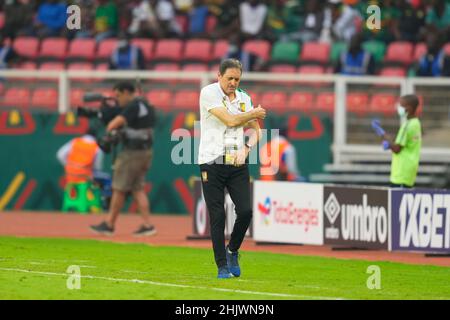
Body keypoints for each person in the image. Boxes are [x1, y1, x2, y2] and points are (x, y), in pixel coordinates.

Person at [198, 58, 266, 279]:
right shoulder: (209, 93)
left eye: (237, 79)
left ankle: (233, 251)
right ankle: (221, 267)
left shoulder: (244, 98)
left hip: (237, 162)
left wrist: (246, 149)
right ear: (219, 76)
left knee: (246, 211)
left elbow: (257, 132)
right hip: (211, 161)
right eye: (229, 78)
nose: (233, 83)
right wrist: (254, 113)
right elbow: (229, 121)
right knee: (217, 216)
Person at [90, 82, 157, 236]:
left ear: (127, 92)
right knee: (137, 188)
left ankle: (109, 224)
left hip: (132, 154)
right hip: (145, 152)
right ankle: (147, 225)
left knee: (119, 188)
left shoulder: (134, 105)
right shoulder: (145, 105)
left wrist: (111, 128)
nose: (118, 99)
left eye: (119, 95)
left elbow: (114, 124)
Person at [371, 94, 422, 188]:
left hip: (401, 172)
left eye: (401, 105)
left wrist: (388, 145)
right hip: (408, 172)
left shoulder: (407, 126)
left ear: (409, 108)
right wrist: (382, 132)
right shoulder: (416, 123)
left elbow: (397, 148)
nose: (399, 108)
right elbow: (398, 142)